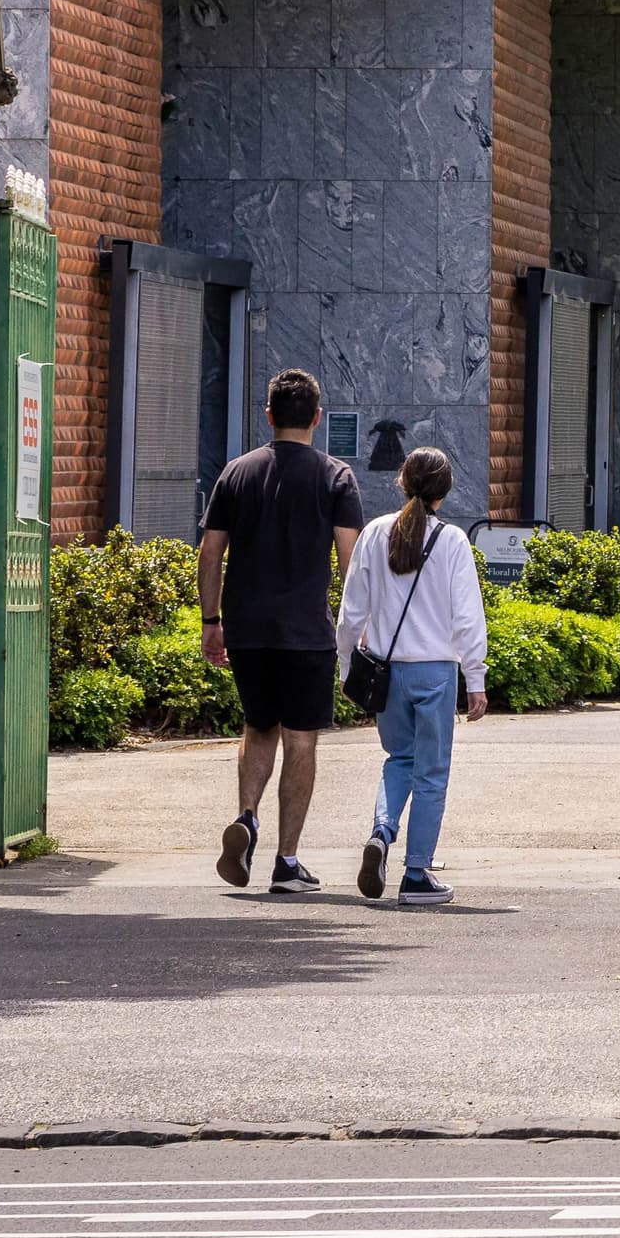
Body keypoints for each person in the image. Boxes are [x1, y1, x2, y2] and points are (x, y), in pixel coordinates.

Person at [198, 369, 363, 892]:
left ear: (268, 415)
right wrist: (354, 628)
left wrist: (211, 620)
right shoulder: (336, 477)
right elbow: (349, 560)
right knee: (301, 741)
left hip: (247, 630)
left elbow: (210, 552)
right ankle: (287, 863)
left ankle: (246, 817)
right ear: (317, 417)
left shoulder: (237, 473)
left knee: (257, 729)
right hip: (307, 632)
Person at [335, 444, 487, 907]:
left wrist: (346, 668)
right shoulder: (453, 541)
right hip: (436, 672)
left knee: (398, 760)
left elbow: (351, 611)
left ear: (401, 481)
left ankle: (381, 832)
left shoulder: (375, 532)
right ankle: (416, 873)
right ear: (446, 490)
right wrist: (475, 677)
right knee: (432, 773)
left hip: (386, 671)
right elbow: (467, 617)